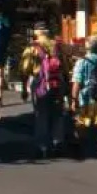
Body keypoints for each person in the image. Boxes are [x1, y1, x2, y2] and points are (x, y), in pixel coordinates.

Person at [26, 28, 66, 158]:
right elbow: (66, 65)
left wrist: (24, 88)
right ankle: (58, 143)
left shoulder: (33, 48)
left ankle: (42, 147)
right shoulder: (57, 46)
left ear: (37, 33)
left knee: (41, 115)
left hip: (40, 83)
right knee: (57, 114)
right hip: (57, 83)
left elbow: (25, 67)